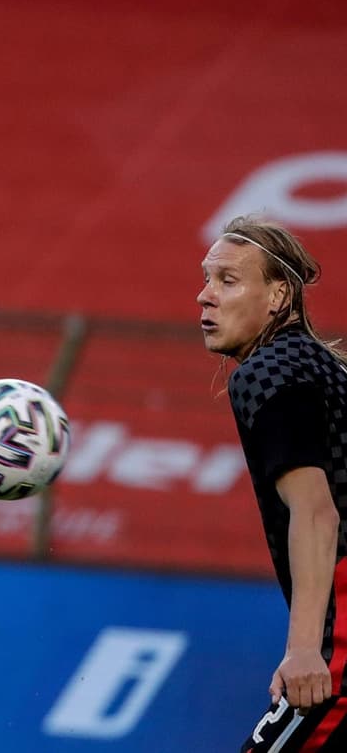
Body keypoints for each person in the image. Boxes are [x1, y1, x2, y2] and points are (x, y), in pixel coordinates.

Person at [197, 216, 347, 752]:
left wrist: (307, 648)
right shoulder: (317, 365)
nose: (205, 296)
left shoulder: (269, 371)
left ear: (279, 294)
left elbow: (315, 512)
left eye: (228, 280)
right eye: (206, 278)